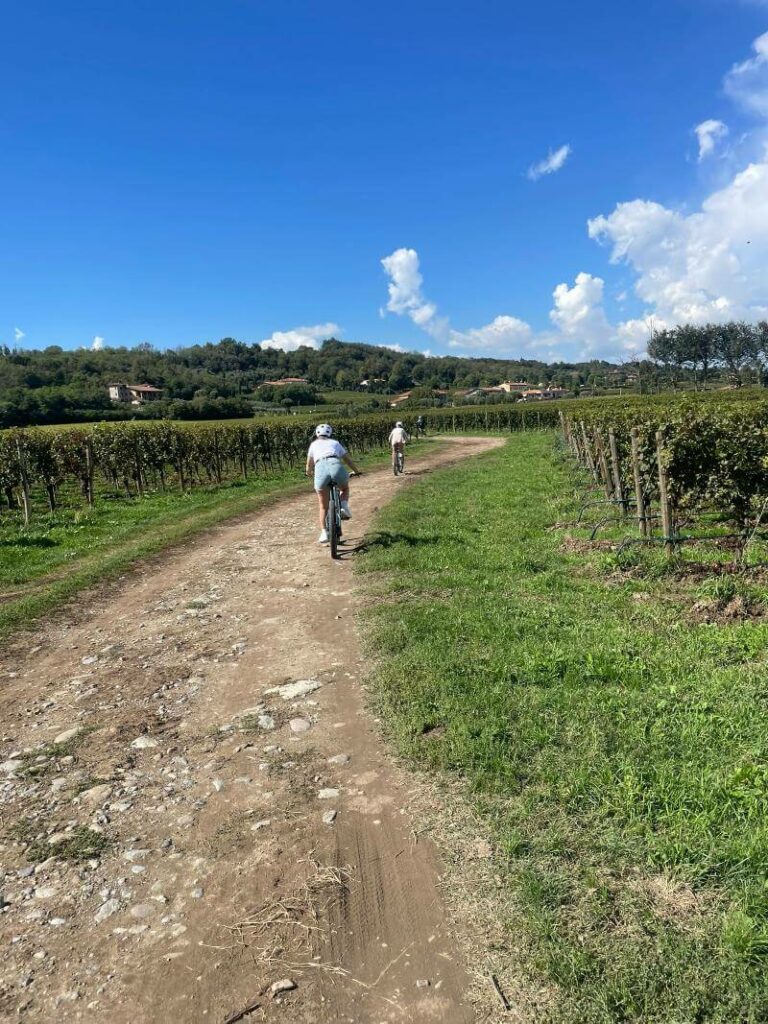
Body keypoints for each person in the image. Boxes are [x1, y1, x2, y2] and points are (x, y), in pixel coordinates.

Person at [305, 424, 361, 545]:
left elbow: (309, 464)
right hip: (335, 465)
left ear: (316, 434)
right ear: (330, 433)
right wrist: (356, 471)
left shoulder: (313, 445)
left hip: (320, 469)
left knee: (323, 505)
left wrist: (308, 473)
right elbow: (347, 459)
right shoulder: (335, 443)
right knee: (344, 488)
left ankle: (324, 532)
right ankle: (343, 506)